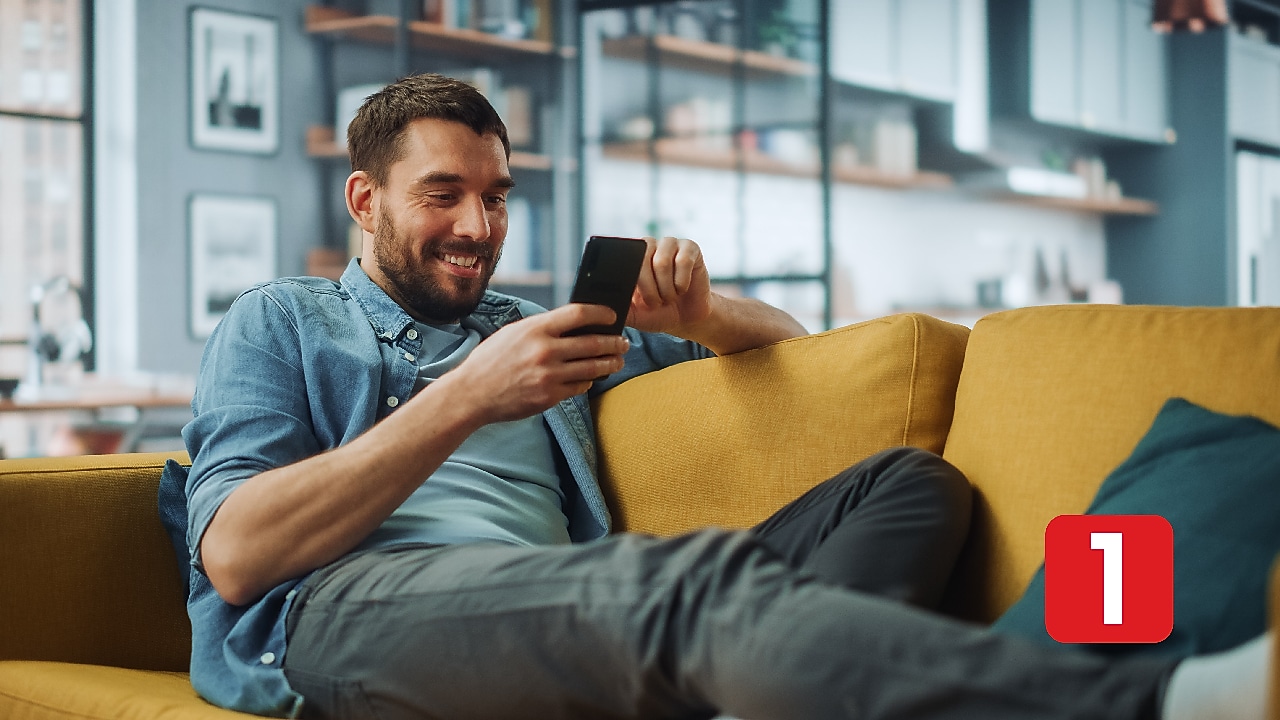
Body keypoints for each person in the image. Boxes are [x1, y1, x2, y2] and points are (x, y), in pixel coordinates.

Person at [163, 73, 1273, 720]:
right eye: (441, 194)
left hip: (550, 602)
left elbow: (794, 348)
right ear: (365, 199)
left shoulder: (537, 338)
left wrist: (701, 317)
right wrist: (459, 400)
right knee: (680, 584)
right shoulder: (284, 321)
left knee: (907, 483)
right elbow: (239, 554)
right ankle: (1158, 701)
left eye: (496, 196)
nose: (477, 226)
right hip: (350, 613)